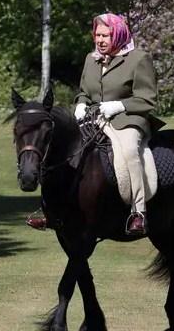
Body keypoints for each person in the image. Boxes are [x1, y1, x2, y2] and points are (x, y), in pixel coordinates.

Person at [27, 12, 163, 236]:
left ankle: (138, 212)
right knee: (59, 148)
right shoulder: (91, 59)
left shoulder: (138, 58)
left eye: (106, 36)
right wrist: (80, 104)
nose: (100, 40)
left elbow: (147, 99)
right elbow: (83, 93)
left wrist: (119, 106)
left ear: (118, 34)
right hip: (94, 119)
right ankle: (52, 211)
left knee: (129, 152)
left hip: (127, 120)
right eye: (97, 35)